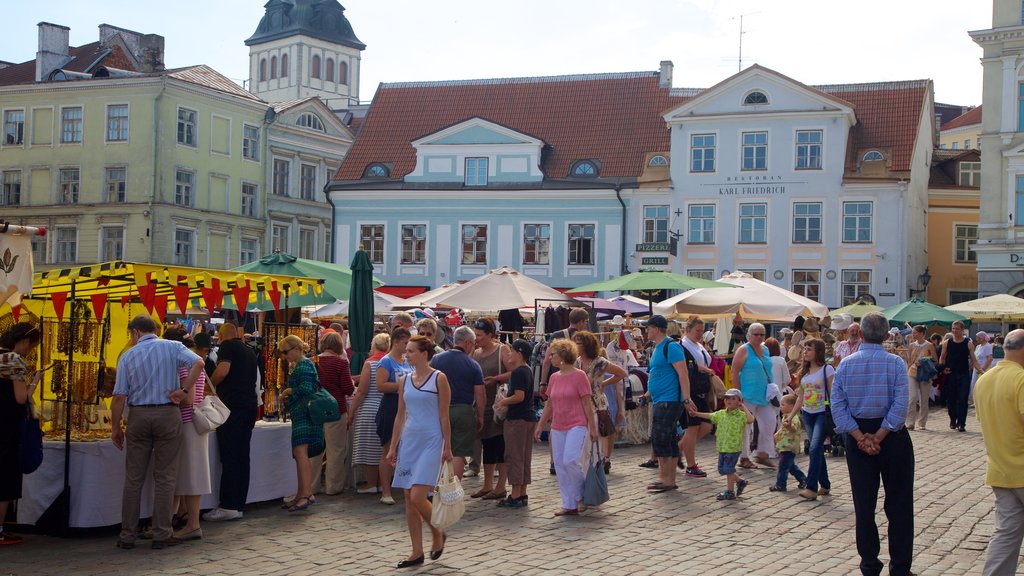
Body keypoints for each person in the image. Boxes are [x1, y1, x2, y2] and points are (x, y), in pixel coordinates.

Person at [111, 315, 204, 549]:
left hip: (139, 416)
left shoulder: (128, 355)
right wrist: (184, 391)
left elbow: (119, 396)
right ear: (155, 330)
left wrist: (115, 427)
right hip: (166, 414)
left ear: (135, 332)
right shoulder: (172, 346)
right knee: (165, 477)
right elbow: (199, 364)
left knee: (134, 479)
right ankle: (162, 533)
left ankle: (127, 535)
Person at [831, 312, 913, 576]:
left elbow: (838, 405)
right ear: (887, 336)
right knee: (899, 503)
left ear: (861, 335)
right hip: (892, 436)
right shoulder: (896, 363)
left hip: (858, 435)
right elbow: (901, 404)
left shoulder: (845, 364)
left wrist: (858, 436)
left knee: (864, 504)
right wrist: (880, 435)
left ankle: (869, 564)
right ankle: (899, 567)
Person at [387, 335, 453, 568]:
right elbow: (400, 415)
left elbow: (445, 415)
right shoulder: (404, 380)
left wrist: (448, 446)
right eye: (407, 350)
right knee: (408, 498)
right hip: (410, 440)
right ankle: (416, 551)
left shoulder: (439, 378)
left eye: (411, 351)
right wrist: (393, 446)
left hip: (432, 440)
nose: (407, 354)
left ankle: (437, 531)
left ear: (424, 354)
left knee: (418, 495)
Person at [974, 329, 1024, 576]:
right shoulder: (1022, 379)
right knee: (1006, 533)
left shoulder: (984, 379)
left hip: (1000, 469)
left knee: (1006, 534)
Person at [535, 338, 597, 516]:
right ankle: (569, 503)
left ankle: (580, 495)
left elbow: (587, 403)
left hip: (577, 424)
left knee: (570, 460)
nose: (549, 358)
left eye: (552, 354)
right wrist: (540, 426)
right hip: (558, 425)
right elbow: (549, 404)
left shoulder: (579, 376)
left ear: (562, 356)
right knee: (560, 465)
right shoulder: (554, 378)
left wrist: (592, 428)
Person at [204, 322, 259, 522]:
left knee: (230, 456)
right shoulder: (249, 350)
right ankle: (238, 504)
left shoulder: (228, 346)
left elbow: (223, 370)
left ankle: (228, 505)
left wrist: (209, 386)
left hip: (232, 409)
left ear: (221, 336)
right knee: (243, 456)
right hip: (249, 407)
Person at [161, 328, 210, 542]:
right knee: (187, 475)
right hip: (193, 423)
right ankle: (174, 521)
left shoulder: (185, 364)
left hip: (188, 422)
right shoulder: (194, 360)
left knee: (190, 476)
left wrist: (172, 396)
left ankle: (192, 524)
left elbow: (188, 399)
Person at [0, 323, 42, 545]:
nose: (29, 351)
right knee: (5, 478)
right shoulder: (13, 360)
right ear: (25, 342)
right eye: (31, 346)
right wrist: (34, 382)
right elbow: (20, 398)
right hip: (6, 426)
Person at [638, 315, 690, 492]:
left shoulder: (671, 346)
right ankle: (668, 479)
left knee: (660, 439)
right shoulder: (656, 348)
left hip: (670, 401)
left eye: (648, 328)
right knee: (667, 439)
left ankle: (666, 478)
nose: (646, 331)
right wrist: (646, 395)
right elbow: (657, 376)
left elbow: (683, 374)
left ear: (657, 328)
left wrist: (686, 398)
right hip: (660, 400)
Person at [430, 326, 485, 479]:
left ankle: (437, 485)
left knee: (439, 448)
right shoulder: (473, 364)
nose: (473, 346)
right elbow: (480, 393)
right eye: (473, 343)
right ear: (467, 343)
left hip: (440, 409)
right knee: (458, 453)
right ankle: (454, 490)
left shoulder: (436, 360)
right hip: (463, 411)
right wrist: (480, 415)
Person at [277, 335, 323, 512]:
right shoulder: (304, 364)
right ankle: (302, 493)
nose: (284, 356)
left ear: (296, 349)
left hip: (304, 414)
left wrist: (288, 391)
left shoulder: (303, 365)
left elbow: (306, 389)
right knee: (300, 453)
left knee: (301, 453)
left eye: (286, 352)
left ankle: (305, 494)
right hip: (302, 414)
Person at [787, 338, 835, 501]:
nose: (805, 351)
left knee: (814, 448)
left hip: (822, 413)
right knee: (817, 450)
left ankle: (811, 487)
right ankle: (825, 484)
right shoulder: (804, 373)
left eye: (809, 349)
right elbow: (800, 397)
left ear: (818, 352)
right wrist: (791, 416)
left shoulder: (827, 370)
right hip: (808, 414)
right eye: (805, 349)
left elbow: (832, 393)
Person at [572, 330, 626, 474]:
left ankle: (598, 466)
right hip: (581, 403)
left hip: (596, 404)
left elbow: (621, 373)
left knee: (596, 438)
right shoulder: (577, 361)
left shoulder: (599, 362)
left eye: (579, 343)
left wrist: (604, 383)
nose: (576, 345)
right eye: (576, 342)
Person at [687, 388, 754, 501]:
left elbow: (751, 419)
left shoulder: (741, 415)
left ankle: (730, 491)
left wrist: (744, 408)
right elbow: (709, 415)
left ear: (739, 401)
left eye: (733, 398)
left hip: (733, 448)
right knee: (722, 469)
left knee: (728, 469)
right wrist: (696, 414)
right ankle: (740, 481)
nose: (729, 401)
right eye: (727, 398)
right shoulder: (721, 414)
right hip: (722, 447)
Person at [310, 331, 354, 495]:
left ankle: (312, 486)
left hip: (314, 410)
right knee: (335, 450)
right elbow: (348, 389)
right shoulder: (341, 363)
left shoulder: (312, 362)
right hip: (336, 409)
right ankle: (333, 487)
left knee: (314, 450)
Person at [471, 317, 509, 500]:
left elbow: (516, 371)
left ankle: (501, 486)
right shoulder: (476, 353)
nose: (476, 338)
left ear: (489, 335)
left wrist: (497, 378)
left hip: (498, 405)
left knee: (499, 445)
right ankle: (487, 485)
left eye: (479, 335)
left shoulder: (502, 349)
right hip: (482, 405)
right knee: (486, 444)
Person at [348, 333, 390, 496]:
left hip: (371, 408)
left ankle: (372, 483)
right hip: (387, 407)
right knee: (382, 448)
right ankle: (381, 482)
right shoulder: (392, 361)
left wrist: (352, 411)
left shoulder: (370, 363)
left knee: (370, 447)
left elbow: (362, 391)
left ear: (374, 346)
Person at [375, 327, 412, 505]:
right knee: (389, 449)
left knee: (406, 449)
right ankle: (386, 491)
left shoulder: (407, 361)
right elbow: (380, 386)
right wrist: (401, 385)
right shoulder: (386, 361)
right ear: (396, 341)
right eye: (405, 343)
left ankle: (405, 486)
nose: (407, 347)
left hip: (407, 407)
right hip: (391, 407)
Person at [731, 323, 776, 469]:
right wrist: (737, 394)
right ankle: (744, 457)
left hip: (765, 395)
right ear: (749, 335)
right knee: (746, 427)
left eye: (762, 334)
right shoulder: (743, 350)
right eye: (755, 334)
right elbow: (734, 371)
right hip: (747, 394)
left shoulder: (766, 349)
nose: (759, 337)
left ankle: (762, 453)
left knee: (769, 423)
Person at [497, 339, 536, 508]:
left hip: (517, 419)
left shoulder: (519, 372)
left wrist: (503, 401)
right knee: (524, 457)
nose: (509, 354)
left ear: (519, 354)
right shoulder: (527, 370)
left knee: (514, 456)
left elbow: (519, 396)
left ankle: (514, 495)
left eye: (511, 351)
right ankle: (522, 493)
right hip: (528, 418)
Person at [677, 316, 715, 478]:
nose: (700, 333)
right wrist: (704, 369)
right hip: (690, 390)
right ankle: (691, 465)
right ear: (688, 330)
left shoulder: (698, 345)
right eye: (697, 330)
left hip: (701, 390)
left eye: (702, 330)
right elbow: (686, 365)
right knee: (692, 428)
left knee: (706, 426)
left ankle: (678, 449)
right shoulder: (682, 345)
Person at [939, 320, 982, 432]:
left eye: (957, 329)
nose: (954, 330)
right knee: (951, 400)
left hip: (963, 374)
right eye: (953, 328)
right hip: (951, 374)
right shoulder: (947, 343)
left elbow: (974, 360)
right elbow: (942, 358)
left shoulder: (968, 343)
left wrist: (981, 370)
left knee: (963, 399)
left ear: (962, 330)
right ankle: (953, 419)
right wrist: (943, 369)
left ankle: (962, 423)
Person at [770, 394, 807, 492]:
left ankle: (780, 484)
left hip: (789, 446)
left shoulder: (794, 418)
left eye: (783, 404)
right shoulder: (785, 416)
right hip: (784, 446)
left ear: (791, 406)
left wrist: (789, 426)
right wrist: (777, 434)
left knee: (783, 466)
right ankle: (803, 479)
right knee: (790, 466)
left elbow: (794, 429)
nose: (780, 406)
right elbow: (783, 428)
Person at [905, 326, 938, 430]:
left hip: (925, 373)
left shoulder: (929, 345)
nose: (913, 335)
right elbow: (909, 360)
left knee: (924, 399)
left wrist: (924, 360)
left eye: (915, 333)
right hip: (913, 373)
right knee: (912, 397)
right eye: (913, 333)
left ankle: (922, 422)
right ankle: (910, 422)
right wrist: (909, 369)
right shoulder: (911, 345)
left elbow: (935, 360)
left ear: (921, 333)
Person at [971, 331, 994, 406]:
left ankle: (983, 401)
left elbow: (989, 359)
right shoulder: (978, 346)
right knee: (974, 385)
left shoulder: (987, 346)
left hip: (983, 370)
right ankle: (976, 401)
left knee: (982, 386)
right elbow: (975, 357)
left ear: (982, 338)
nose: (976, 339)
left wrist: (983, 369)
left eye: (977, 337)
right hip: (976, 369)